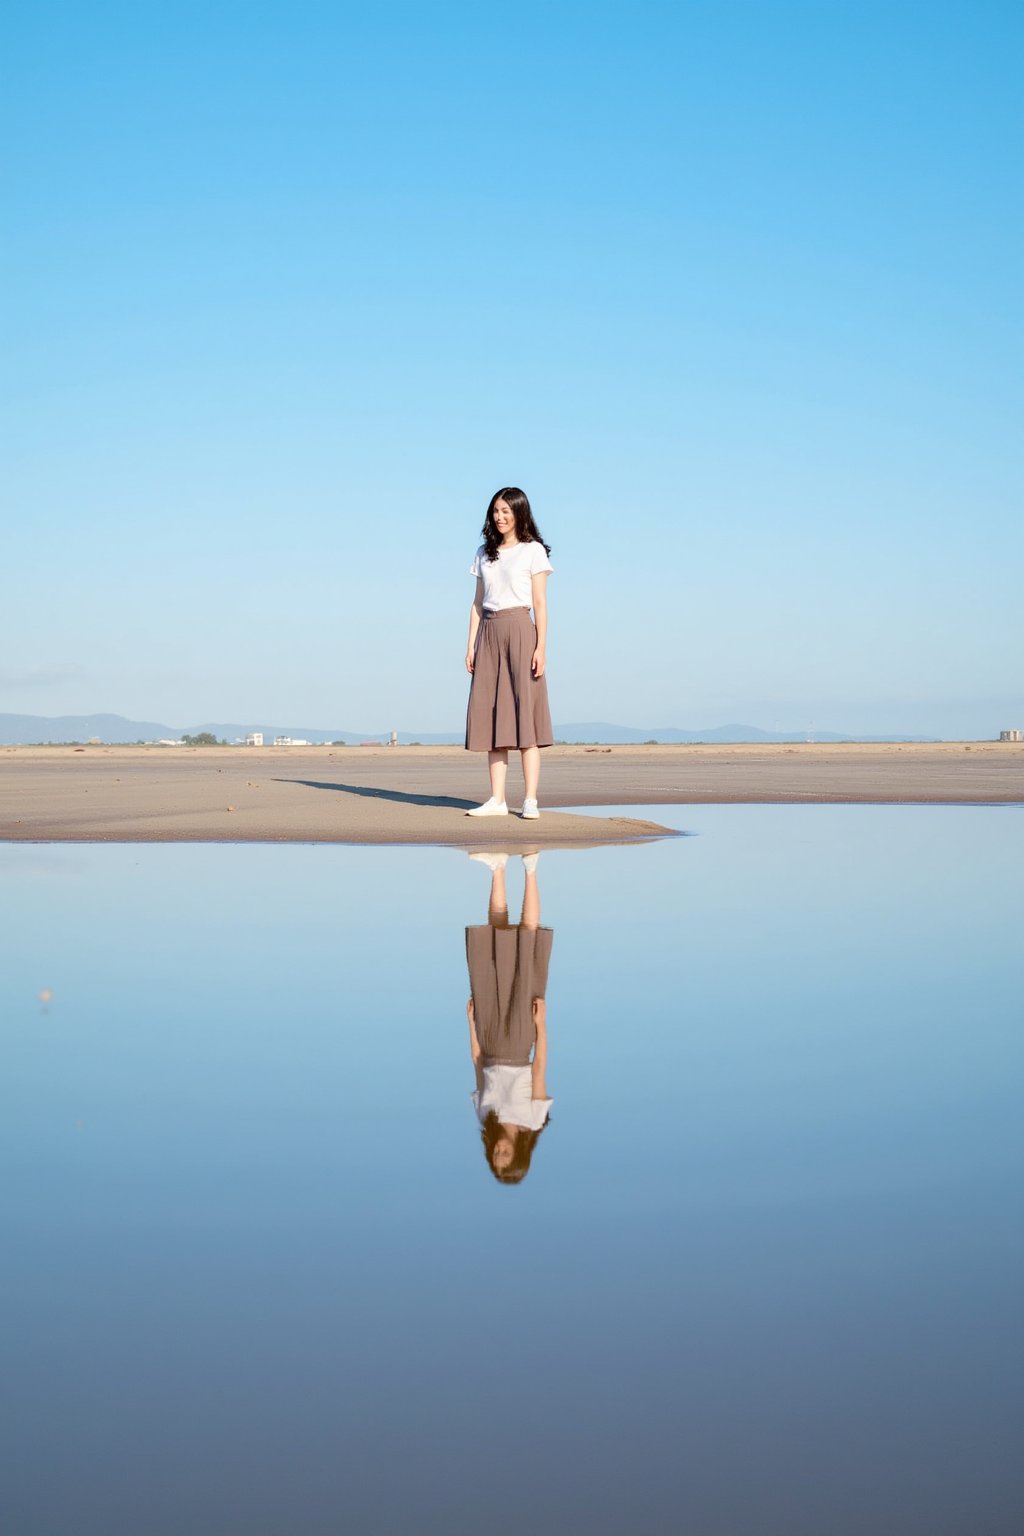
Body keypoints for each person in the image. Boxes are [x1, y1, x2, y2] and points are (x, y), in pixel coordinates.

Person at [464, 487, 553, 819]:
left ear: (519, 513)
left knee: (525, 717)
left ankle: (530, 799)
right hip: (488, 631)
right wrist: (471, 644)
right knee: (491, 716)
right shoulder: (483, 553)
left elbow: (541, 603)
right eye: (496, 511)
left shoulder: (533, 551)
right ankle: (497, 799)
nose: (500, 517)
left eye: (506, 511)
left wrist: (541, 646)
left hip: (519, 628)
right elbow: (476, 602)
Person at [466, 851, 552, 1184]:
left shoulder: (484, 1117)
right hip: (519, 1043)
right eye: (506, 1158)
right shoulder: (533, 1119)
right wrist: (541, 1025)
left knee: (492, 945)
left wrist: (471, 1024)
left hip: (487, 1034)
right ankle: (531, 869)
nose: (499, 1154)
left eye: (495, 1159)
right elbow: (540, 1066)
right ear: (519, 1153)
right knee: (527, 944)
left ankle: (497, 868)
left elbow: (476, 1063)